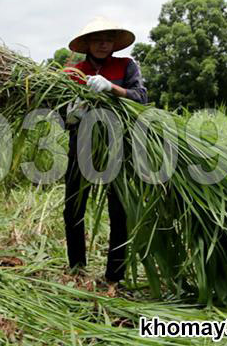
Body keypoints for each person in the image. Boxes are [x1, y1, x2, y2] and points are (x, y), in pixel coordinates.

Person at [62, 17, 147, 289]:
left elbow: (141, 97)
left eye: (108, 39)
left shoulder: (126, 65)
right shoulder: (73, 72)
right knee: (73, 208)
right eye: (97, 39)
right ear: (86, 43)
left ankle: (115, 275)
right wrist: (71, 114)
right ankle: (76, 269)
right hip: (82, 144)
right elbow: (60, 113)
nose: (102, 44)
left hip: (118, 144)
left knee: (119, 210)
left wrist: (112, 88)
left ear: (114, 43)